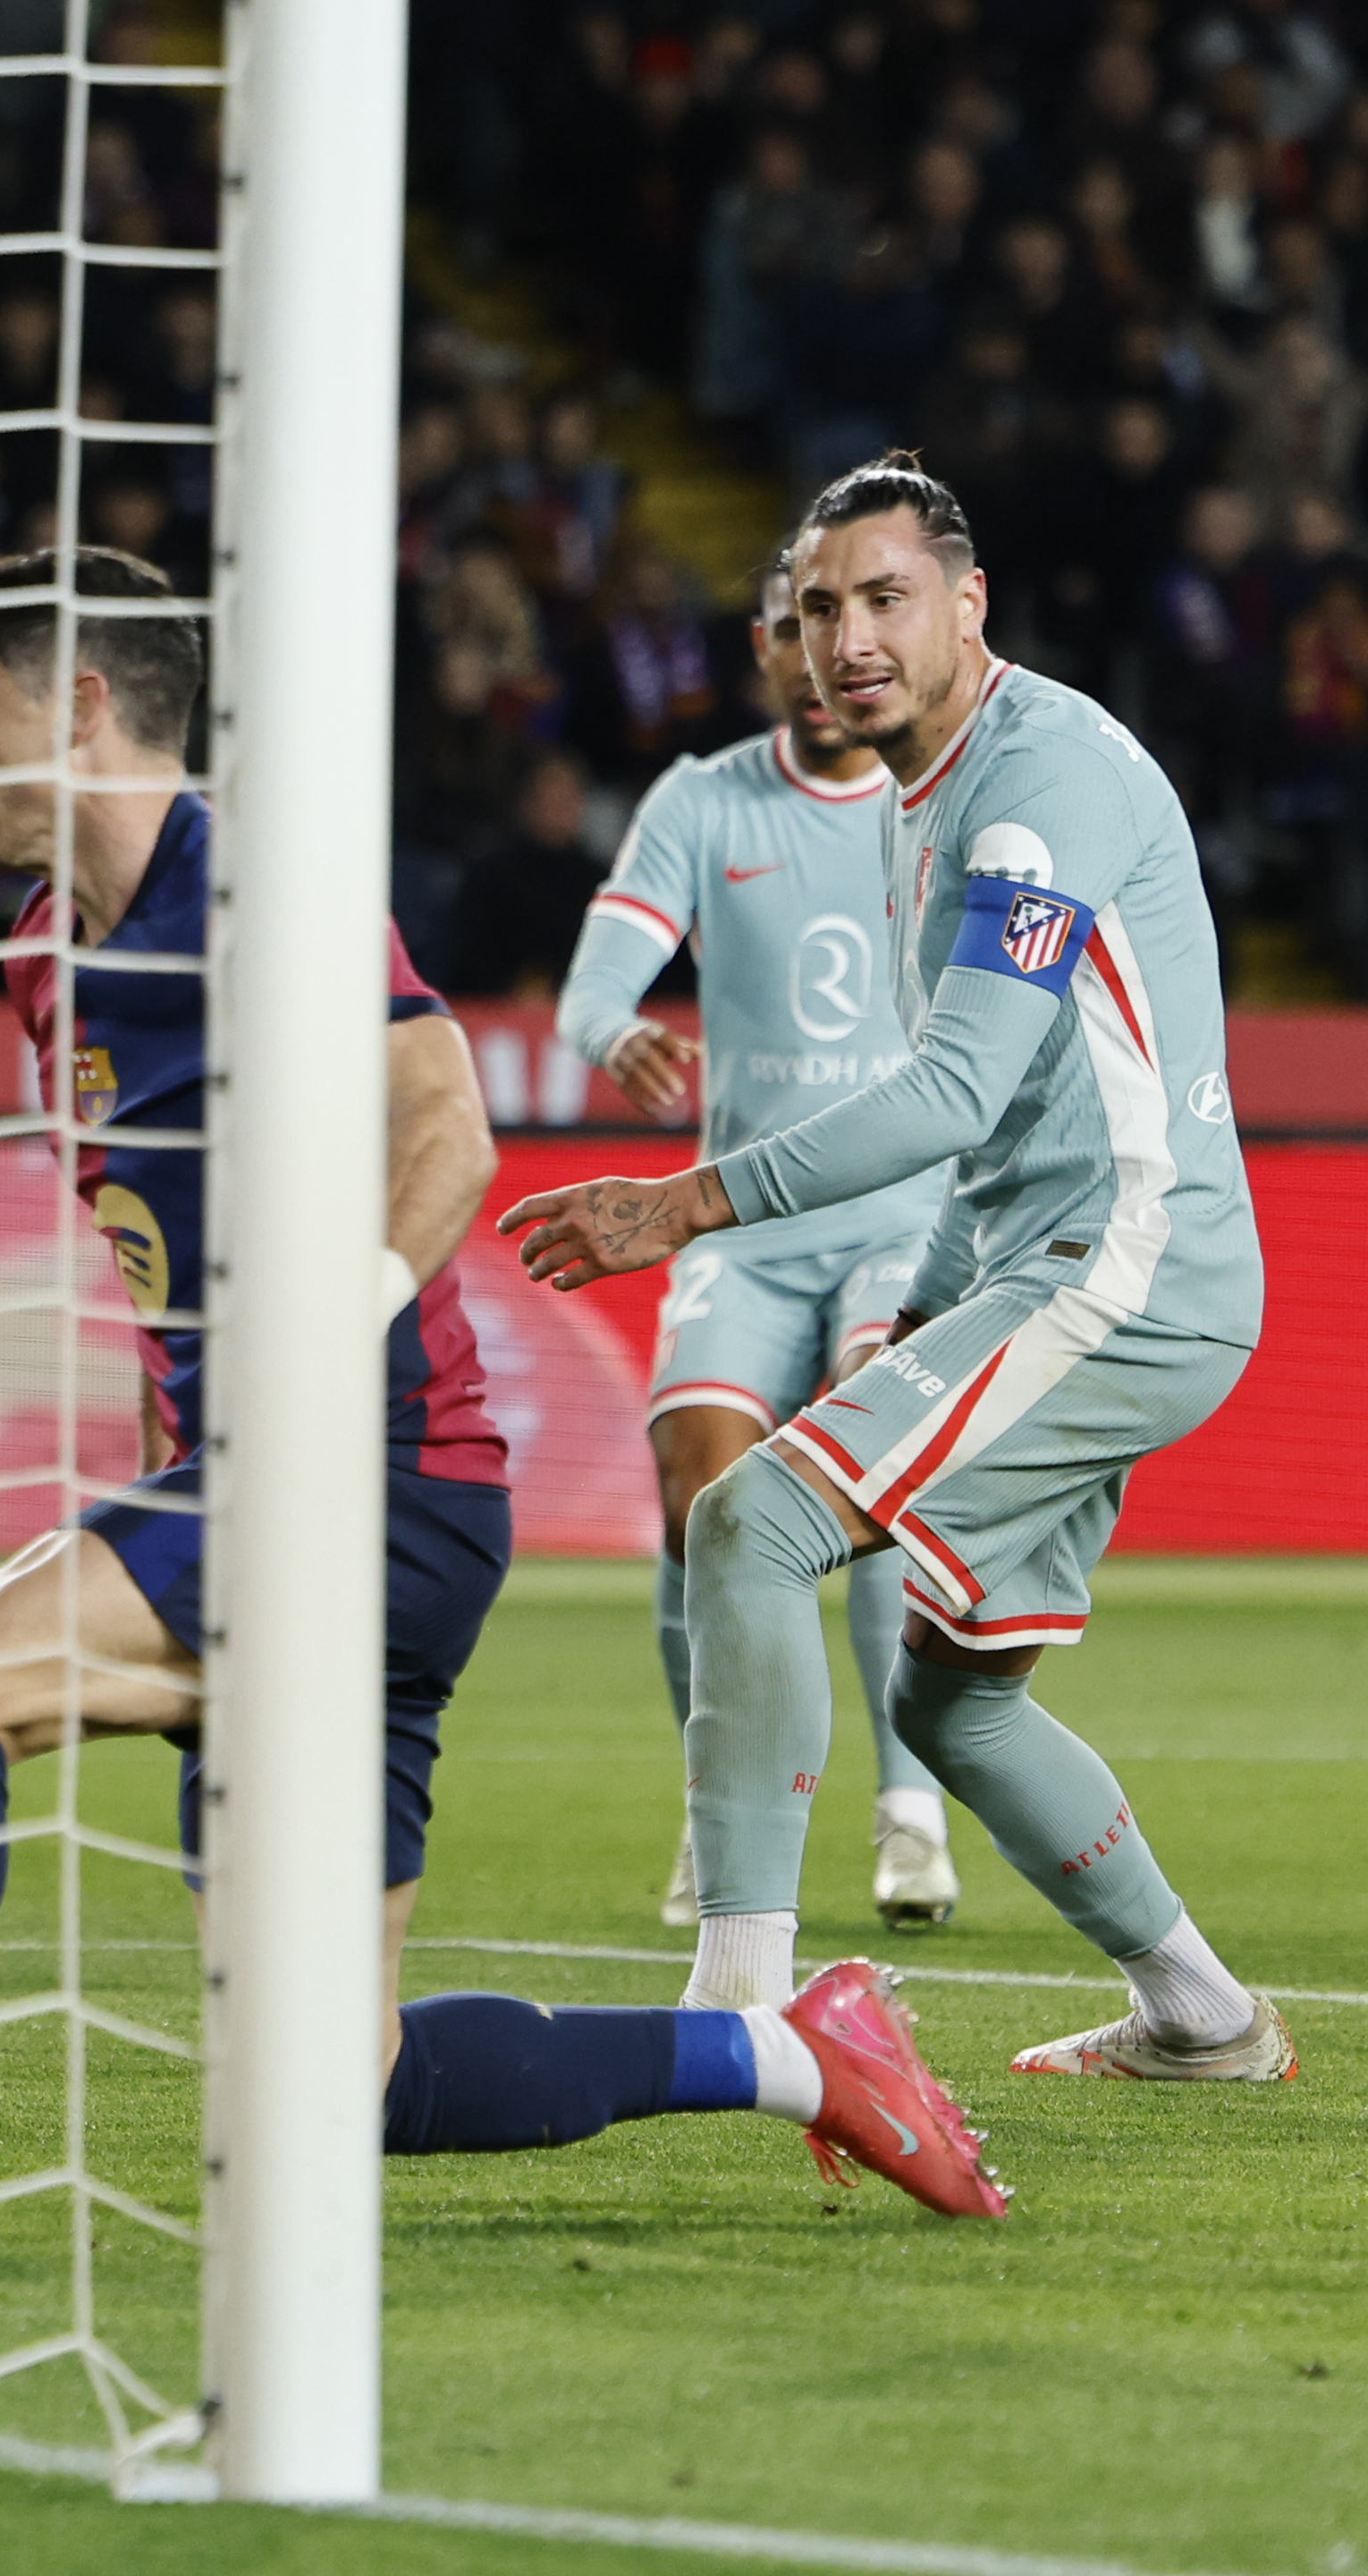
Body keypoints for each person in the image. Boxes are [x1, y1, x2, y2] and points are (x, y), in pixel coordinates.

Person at [0, 547, 1001, 2264]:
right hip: (301, 1499)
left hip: (366, 1482)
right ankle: (797, 2055)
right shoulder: (46, 950)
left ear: (75, 706)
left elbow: (446, 1125)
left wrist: (325, 1337)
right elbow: (156, 1261)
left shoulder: (254, 889)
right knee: (331, 2084)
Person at [505, 459, 1288, 2084]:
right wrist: (924, 1310)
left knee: (749, 1523)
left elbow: (945, 1092)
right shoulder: (922, 798)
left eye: (885, 597)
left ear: (966, 601)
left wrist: (686, 1203)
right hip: (1056, 1264)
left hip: (1120, 1268)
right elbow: (988, 1136)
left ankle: (731, 2015)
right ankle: (1202, 2016)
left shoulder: (1033, 782)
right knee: (952, 1702)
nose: (848, 638)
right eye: (818, 609)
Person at [558, 565, 958, 1934]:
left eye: (854, 619)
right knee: (696, 1497)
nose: (827, 649)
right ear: (763, 647)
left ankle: (907, 1806)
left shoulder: (937, 794)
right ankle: (713, 1800)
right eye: (799, 625)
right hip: (739, 1220)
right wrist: (615, 1031)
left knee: (873, 1474)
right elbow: (591, 984)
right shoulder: (699, 799)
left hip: (900, 1213)